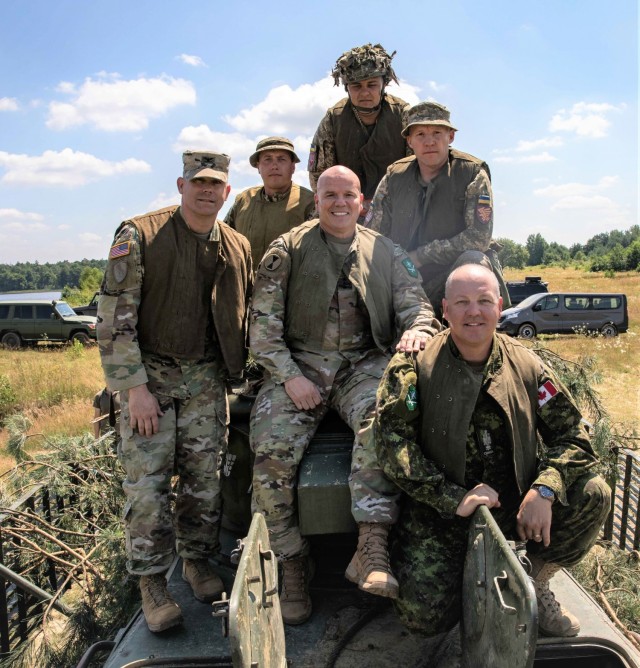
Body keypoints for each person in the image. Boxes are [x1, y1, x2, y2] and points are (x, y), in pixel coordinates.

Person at [375, 263, 611, 642]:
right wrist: (453, 498)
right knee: (422, 620)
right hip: (444, 513)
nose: (474, 312)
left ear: (499, 306)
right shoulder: (414, 366)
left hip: (516, 507)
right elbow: (392, 447)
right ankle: (474, 580)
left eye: (484, 301)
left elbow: (575, 436)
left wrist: (545, 490)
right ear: (444, 309)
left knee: (594, 492)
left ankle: (532, 579)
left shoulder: (527, 364)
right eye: (463, 302)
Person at [250, 165, 440, 625]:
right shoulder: (288, 250)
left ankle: (371, 546)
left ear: (362, 203)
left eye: (348, 195)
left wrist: (417, 329)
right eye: (329, 194)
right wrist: (290, 376)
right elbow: (262, 330)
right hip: (299, 366)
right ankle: (291, 560)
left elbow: (417, 304)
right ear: (316, 200)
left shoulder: (387, 252)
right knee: (271, 453)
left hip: (363, 363)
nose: (339, 203)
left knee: (386, 418)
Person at [97, 151, 253, 633]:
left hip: (207, 380)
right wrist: (134, 390)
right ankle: (152, 584)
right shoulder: (141, 235)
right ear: (181, 185)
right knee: (148, 488)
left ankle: (197, 562)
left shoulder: (236, 244)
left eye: (216, 185)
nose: (207, 191)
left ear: (227, 193)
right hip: (153, 380)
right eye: (198, 182)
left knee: (205, 483)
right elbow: (113, 320)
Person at [365, 101, 510, 319]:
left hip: (454, 271)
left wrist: (422, 255)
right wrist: (398, 263)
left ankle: (482, 331)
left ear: (450, 136)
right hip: (407, 272)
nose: (429, 141)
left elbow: (477, 239)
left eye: (437, 132)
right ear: (409, 140)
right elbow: (373, 236)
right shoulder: (394, 176)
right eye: (421, 134)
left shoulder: (471, 172)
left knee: (474, 258)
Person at [308, 43, 409, 217]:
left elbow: (418, 167)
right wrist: (350, 203)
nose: (365, 93)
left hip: (398, 205)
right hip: (347, 207)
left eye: (371, 85)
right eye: (356, 86)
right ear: (347, 87)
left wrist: (384, 203)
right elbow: (320, 176)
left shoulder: (403, 114)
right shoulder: (334, 118)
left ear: (383, 85)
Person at [225, 136, 315, 266]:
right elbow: (225, 240)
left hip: (290, 285)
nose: (274, 166)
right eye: (267, 159)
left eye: (281, 159)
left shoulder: (309, 203)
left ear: (293, 167)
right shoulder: (243, 200)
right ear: (258, 167)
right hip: (245, 284)